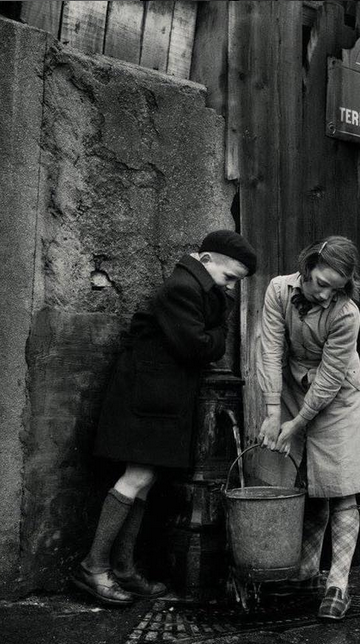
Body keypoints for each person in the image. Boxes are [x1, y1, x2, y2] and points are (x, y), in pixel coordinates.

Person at [72, 230, 257, 606]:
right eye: (229, 278)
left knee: (146, 478)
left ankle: (123, 568)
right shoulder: (183, 287)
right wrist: (219, 330)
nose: (230, 288)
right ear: (206, 261)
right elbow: (198, 347)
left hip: (159, 397)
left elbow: (203, 338)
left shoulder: (197, 288)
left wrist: (215, 321)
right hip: (147, 397)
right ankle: (93, 566)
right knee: (136, 477)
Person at [257, 235, 360, 620]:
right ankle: (307, 573)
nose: (326, 296)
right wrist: (274, 410)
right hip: (293, 388)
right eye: (321, 284)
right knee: (308, 483)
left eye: (336, 289)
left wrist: (298, 422)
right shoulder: (278, 289)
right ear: (307, 268)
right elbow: (271, 347)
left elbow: (328, 378)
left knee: (340, 486)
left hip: (339, 396)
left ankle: (337, 586)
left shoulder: (347, 315)